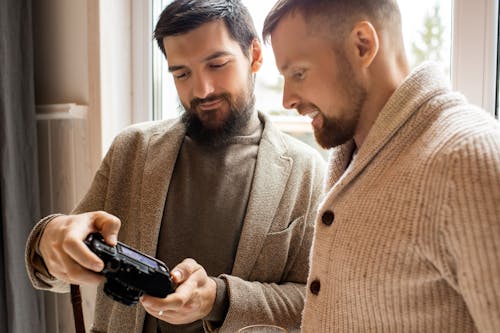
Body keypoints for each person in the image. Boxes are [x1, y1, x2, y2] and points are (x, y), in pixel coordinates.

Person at [25, 1, 326, 332]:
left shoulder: (307, 171)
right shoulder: (132, 148)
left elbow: (314, 302)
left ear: (254, 54)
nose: (201, 90)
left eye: (217, 64)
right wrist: (48, 239)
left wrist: (219, 299)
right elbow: (64, 262)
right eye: (181, 73)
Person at [263, 0, 500, 332]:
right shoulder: (352, 153)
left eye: (298, 73)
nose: (286, 99)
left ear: (363, 44)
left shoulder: (468, 159)